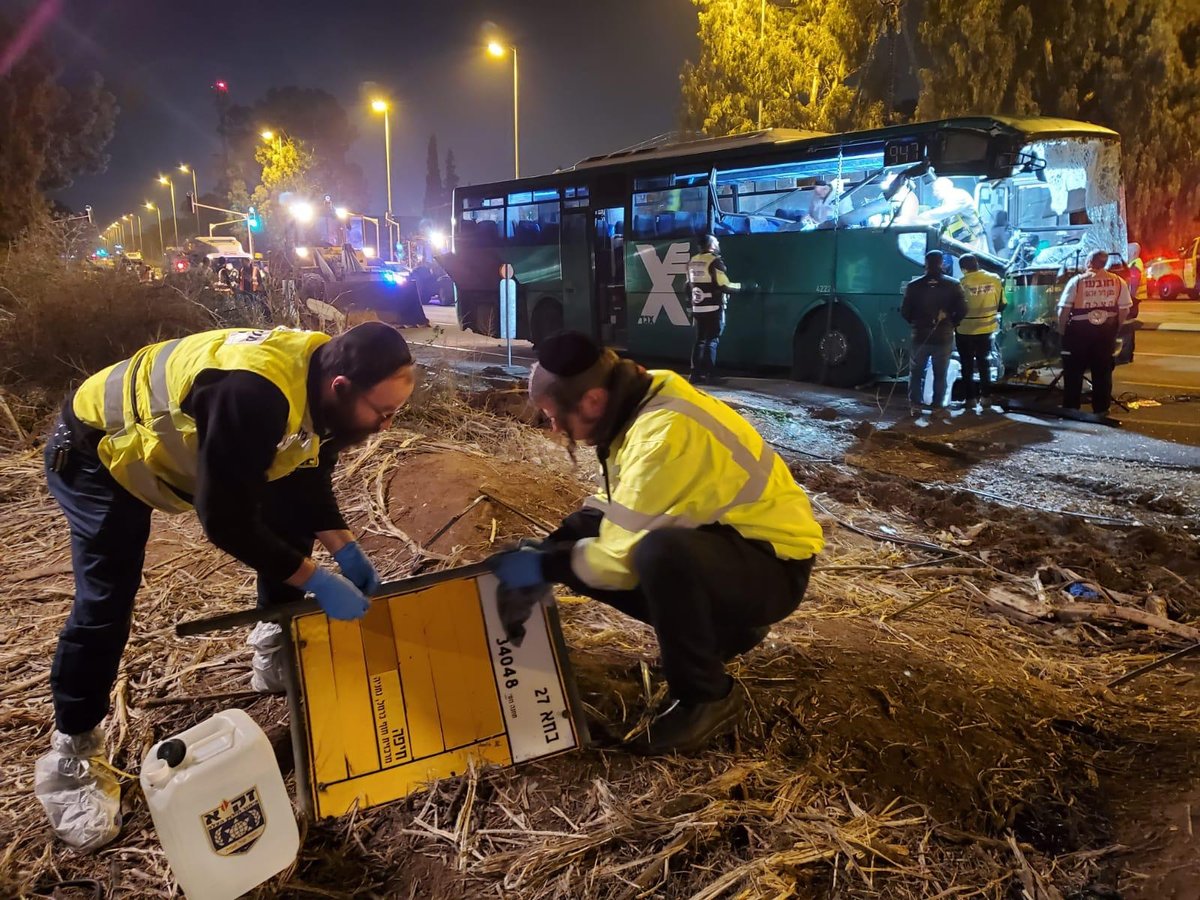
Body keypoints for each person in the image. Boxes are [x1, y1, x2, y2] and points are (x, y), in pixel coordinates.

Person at [36, 322, 415, 850]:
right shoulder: (253, 396)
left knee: (289, 515)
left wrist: (344, 547)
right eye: (383, 412)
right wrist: (317, 582)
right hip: (95, 449)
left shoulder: (321, 377)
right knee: (108, 597)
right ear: (342, 387)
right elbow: (226, 521)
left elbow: (306, 476)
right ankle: (71, 753)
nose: (386, 424)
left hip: (168, 447)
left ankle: (271, 642)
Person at [487, 332, 823, 754]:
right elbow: (622, 508)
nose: (553, 427)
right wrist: (551, 546)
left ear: (591, 401)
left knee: (658, 555)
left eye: (555, 416)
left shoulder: (664, 432)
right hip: (728, 547)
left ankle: (707, 696)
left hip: (774, 566)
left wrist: (545, 566)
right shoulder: (637, 398)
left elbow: (618, 562)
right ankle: (725, 632)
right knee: (583, 540)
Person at [1057, 250, 1132, 415]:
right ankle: (1101, 408)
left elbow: (1063, 310)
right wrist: (1115, 329)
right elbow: (1124, 310)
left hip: (1079, 333)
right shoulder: (1118, 281)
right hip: (1105, 332)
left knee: (1074, 371)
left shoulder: (1077, 281)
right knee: (1103, 372)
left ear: (1089, 262)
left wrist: (1062, 331)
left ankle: (1071, 407)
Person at [901, 250, 967, 416]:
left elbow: (905, 312)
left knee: (916, 373)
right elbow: (963, 309)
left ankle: (915, 405)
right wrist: (952, 323)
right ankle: (938, 406)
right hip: (944, 336)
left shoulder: (913, 286)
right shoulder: (953, 284)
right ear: (942, 263)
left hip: (919, 336)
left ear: (926, 263)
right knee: (940, 373)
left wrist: (916, 324)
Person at [685, 234, 751, 384]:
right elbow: (724, 285)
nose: (718, 243)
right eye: (716, 241)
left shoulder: (692, 261)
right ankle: (710, 375)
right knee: (712, 341)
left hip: (698, 308)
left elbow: (687, 286)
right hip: (714, 308)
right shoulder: (715, 261)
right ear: (711, 245)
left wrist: (691, 304)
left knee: (699, 341)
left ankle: (694, 375)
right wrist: (743, 287)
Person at [955, 254, 1007, 410]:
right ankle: (986, 398)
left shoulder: (961, 283)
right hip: (986, 328)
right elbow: (1002, 304)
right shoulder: (995, 279)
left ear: (963, 269)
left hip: (965, 330)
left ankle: (970, 399)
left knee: (967, 365)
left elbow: (957, 308)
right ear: (977, 264)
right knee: (984, 363)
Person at [917, 177, 986, 249]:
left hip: (973, 240)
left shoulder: (959, 196)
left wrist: (919, 217)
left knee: (972, 259)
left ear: (945, 188)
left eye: (936, 191)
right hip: (962, 240)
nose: (934, 194)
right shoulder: (947, 199)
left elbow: (942, 213)